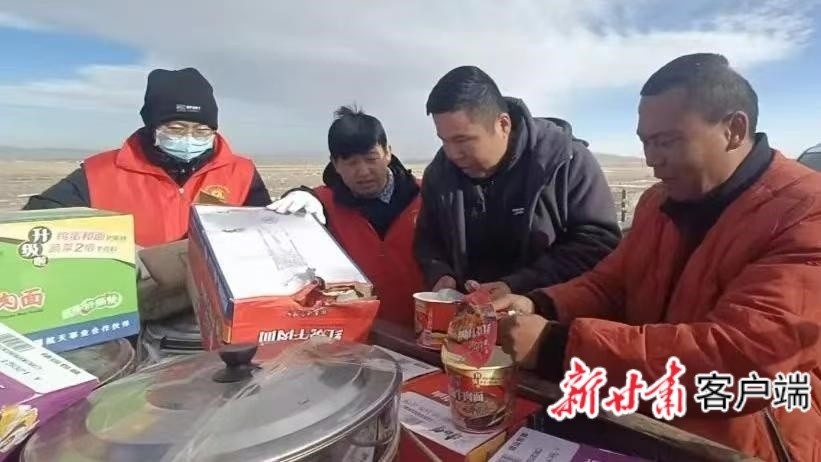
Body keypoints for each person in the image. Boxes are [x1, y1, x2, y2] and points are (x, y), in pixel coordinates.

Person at [492, 53, 821, 462]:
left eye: (666, 141)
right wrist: (539, 304)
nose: (651, 159)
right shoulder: (659, 202)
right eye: (645, 142)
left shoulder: (807, 213)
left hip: (743, 443)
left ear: (734, 130)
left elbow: (741, 357)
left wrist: (557, 347)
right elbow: (610, 284)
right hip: (643, 416)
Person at [414, 65, 621, 298]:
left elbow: (597, 244)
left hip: (547, 314)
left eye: (463, 140)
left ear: (503, 125)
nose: (452, 153)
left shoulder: (565, 162)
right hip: (466, 315)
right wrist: (440, 273)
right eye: (444, 141)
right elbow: (428, 240)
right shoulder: (440, 173)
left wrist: (516, 286)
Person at [23, 67, 271, 248]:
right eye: (176, 128)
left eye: (202, 130)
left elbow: (266, 231)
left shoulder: (241, 172)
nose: (189, 137)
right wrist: (113, 248)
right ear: (153, 127)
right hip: (133, 294)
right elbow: (35, 220)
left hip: (209, 296)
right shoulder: (100, 172)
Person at [267, 105, 424, 327]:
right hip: (357, 333)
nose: (363, 171)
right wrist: (299, 194)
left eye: (371, 159)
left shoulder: (425, 196)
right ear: (335, 164)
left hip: (423, 329)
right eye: (351, 163)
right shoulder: (322, 205)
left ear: (388, 153)